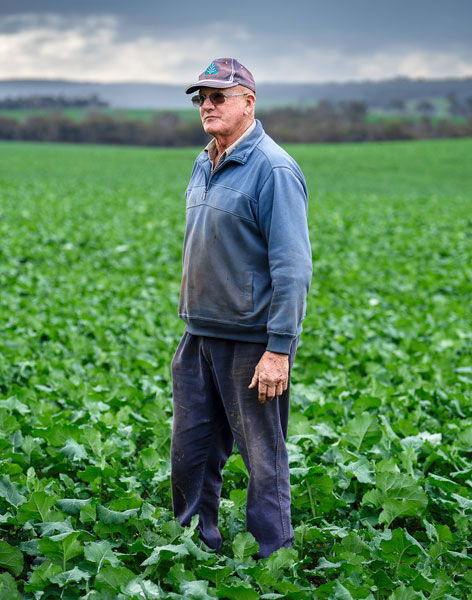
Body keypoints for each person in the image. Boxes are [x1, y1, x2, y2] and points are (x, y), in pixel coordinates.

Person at [170, 58, 313, 559]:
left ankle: (274, 557)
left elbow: (293, 267)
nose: (206, 105)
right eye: (200, 98)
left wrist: (279, 350)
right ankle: (193, 545)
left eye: (218, 97)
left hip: (252, 340)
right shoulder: (203, 159)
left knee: (262, 456)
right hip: (198, 335)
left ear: (248, 103)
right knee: (191, 449)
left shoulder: (273, 169)